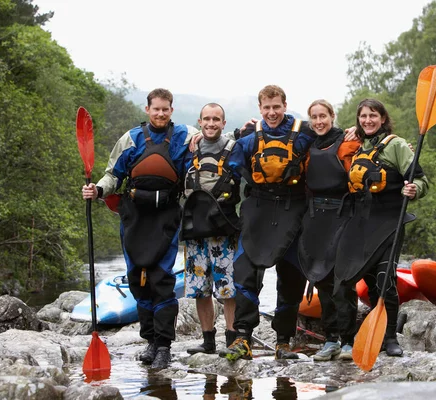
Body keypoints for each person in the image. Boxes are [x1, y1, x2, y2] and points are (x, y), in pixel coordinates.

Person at [82, 88, 198, 369]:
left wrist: (235, 134)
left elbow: (212, 142)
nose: (160, 113)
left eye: (165, 109)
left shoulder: (185, 136)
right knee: (137, 279)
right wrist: (97, 190)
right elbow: (113, 175)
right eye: (156, 109)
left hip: (166, 216)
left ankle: (164, 347)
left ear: (172, 110)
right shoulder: (131, 138)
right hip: (134, 216)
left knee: (161, 279)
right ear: (147, 109)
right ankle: (150, 341)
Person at [218, 85, 317, 361]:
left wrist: (352, 133)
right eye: (266, 108)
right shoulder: (249, 138)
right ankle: (242, 337)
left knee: (291, 277)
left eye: (276, 107)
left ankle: (283, 341)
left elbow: (333, 140)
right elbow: (220, 149)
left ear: (285, 106)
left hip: (293, 210)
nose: (272, 113)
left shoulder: (304, 133)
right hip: (258, 210)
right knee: (245, 273)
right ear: (260, 109)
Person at [333, 98, 429, 357]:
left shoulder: (397, 146)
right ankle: (347, 340)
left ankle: (389, 339)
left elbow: (420, 180)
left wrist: (413, 189)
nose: (368, 120)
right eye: (363, 116)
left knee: (386, 281)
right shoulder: (357, 147)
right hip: (359, 223)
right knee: (344, 280)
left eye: (373, 115)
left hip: (389, 223)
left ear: (383, 118)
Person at [297, 99, 360, 361]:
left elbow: (369, 156)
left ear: (333, 117)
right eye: (314, 117)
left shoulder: (348, 142)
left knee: (342, 281)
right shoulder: (308, 145)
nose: (319, 121)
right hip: (315, 218)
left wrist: (359, 129)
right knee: (321, 278)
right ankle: (330, 339)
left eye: (323, 116)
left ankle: (348, 341)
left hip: (343, 215)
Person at [181, 103, 240, 355]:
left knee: (228, 288)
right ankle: (207, 341)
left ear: (223, 123)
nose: (211, 123)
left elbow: (251, 132)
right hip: (195, 230)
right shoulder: (187, 149)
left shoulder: (234, 148)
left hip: (224, 229)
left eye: (216, 119)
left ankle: (232, 340)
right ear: (200, 121)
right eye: (207, 119)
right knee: (199, 290)